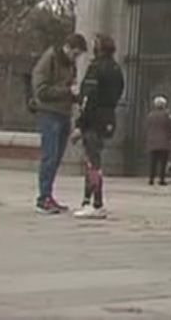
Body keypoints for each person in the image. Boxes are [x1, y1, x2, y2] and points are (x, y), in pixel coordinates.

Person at [31, 34, 87, 214]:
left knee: (56, 158)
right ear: (68, 47)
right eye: (75, 54)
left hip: (64, 113)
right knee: (49, 156)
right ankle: (43, 198)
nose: (76, 58)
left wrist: (77, 96)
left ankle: (48, 195)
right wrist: (67, 91)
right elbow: (41, 91)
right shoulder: (49, 59)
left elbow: (70, 87)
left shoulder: (70, 65)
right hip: (49, 113)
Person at [72, 34, 125, 219]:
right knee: (95, 159)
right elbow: (118, 92)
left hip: (93, 119)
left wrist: (80, 123)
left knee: (92, 162)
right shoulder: (116, 69)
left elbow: (88, 98)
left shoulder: (95, 69)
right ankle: (92, 201)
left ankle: (94, 202)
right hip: (108, 117)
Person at [145, 96, 171, 186]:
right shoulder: (167, 115)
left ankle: (151, 179)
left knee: (152, 162)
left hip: (152, 141)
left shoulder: (150, 115)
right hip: (164, 142)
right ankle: (161, 179)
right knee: (163, 162)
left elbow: (147, 127)